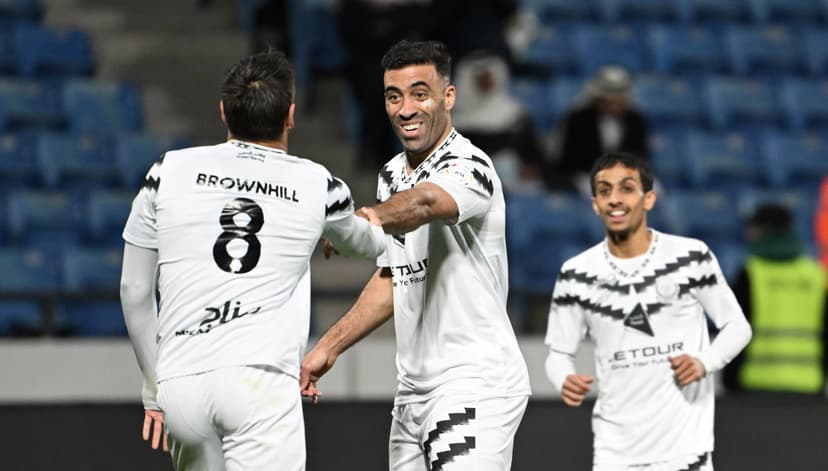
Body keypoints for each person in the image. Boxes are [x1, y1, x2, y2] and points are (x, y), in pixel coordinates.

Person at [119, 50, 386, 471]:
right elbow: (367, 244)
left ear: (223, 112)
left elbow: (134, 290)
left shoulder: (166, 171)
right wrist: (371, 223)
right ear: (291, 115)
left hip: (181, 381)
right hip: (259, 379)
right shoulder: (317, 183)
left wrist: (154, 386)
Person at [300, 40, 531, 471]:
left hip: (472, 384)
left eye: (419, 94)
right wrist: (329, 346)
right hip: (412, 396)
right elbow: (397, 275)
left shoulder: (470, 165)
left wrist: (370, 217)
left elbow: (425, 203)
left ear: (448, 96)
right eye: (394, 97)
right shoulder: (391, 175)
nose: (406, 109)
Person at [544, 151, 752, 470]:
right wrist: (564, 378)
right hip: (615, 455)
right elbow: (559, 353)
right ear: (595, 204)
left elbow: (738, 327)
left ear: (649, 198)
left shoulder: (691, 257)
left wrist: (704, 362)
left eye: (627, 188)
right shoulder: (576, 273)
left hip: (686, 454)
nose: (615, 199)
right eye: (604, 191)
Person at [722, 203, 827, 395]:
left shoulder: (751, 273)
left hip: (754, 386)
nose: (748, 233)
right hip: (809, 387)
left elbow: (736, 332)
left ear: (764, 230)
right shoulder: (816, 276)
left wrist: (730, 381)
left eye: (752, 227)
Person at [451, 50, 546, 192]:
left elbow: (534, 161)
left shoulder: (516, 115)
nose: (486, 81)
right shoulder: (454, 124)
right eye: (479, 77)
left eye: (488, 76)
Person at [548, 66, 649, 195]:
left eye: (618, 99)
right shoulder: (578, 119)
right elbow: (571, 157)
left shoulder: (635, 120)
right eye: (609, 98)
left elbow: (638, 154)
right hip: (586, 175)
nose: (614, 102)